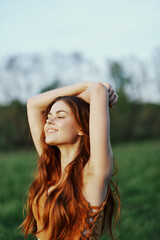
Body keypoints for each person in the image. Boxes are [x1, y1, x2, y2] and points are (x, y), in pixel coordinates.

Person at [20, 81, 121, 240]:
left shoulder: (93, 175)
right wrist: (84, 88)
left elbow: (98, 91)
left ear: (81, 127)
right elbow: (33, 104)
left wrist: (83, 97)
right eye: (49, 117)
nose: (49, 121)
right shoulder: (52, 168)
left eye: (60, 116)